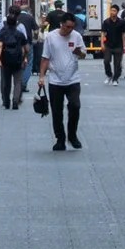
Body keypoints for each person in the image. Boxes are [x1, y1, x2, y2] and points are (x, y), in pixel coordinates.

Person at [40, 10, 85, 152]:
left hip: (73, 79)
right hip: (55, 80)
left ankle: (72, 135)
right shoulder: (51, 37)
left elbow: (83, 54)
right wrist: (41, 76)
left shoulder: (76, 36)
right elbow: (45, 57)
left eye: (72, 27)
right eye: (67, 27)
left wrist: (78, 52)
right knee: (56, 111)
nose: (69, 30)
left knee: (75, 106)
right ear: (61, 24)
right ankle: (60, 138)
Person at [0, 10, 31, 112]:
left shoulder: (3, 33)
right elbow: (26, 49)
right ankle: (15, 100)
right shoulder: (20, 34)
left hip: (5, 60)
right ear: (16, 22)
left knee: (6, 81)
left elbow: (0, 45)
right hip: (18, 59)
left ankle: (6, 101)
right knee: (17, 81)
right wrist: (25, 58)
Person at [100, 6, 125, 84]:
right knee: (106, 61)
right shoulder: (106, 22)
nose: (112, 12)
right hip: (108, 45)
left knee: (117, 64)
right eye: (111, 10)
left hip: (118, 45)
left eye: (114, 11)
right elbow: (103, 33)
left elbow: (123, 34)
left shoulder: (121, 22)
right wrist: (102, 44)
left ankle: (115, 79)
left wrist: (124, 45)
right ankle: (109, 75)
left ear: (117, 12)